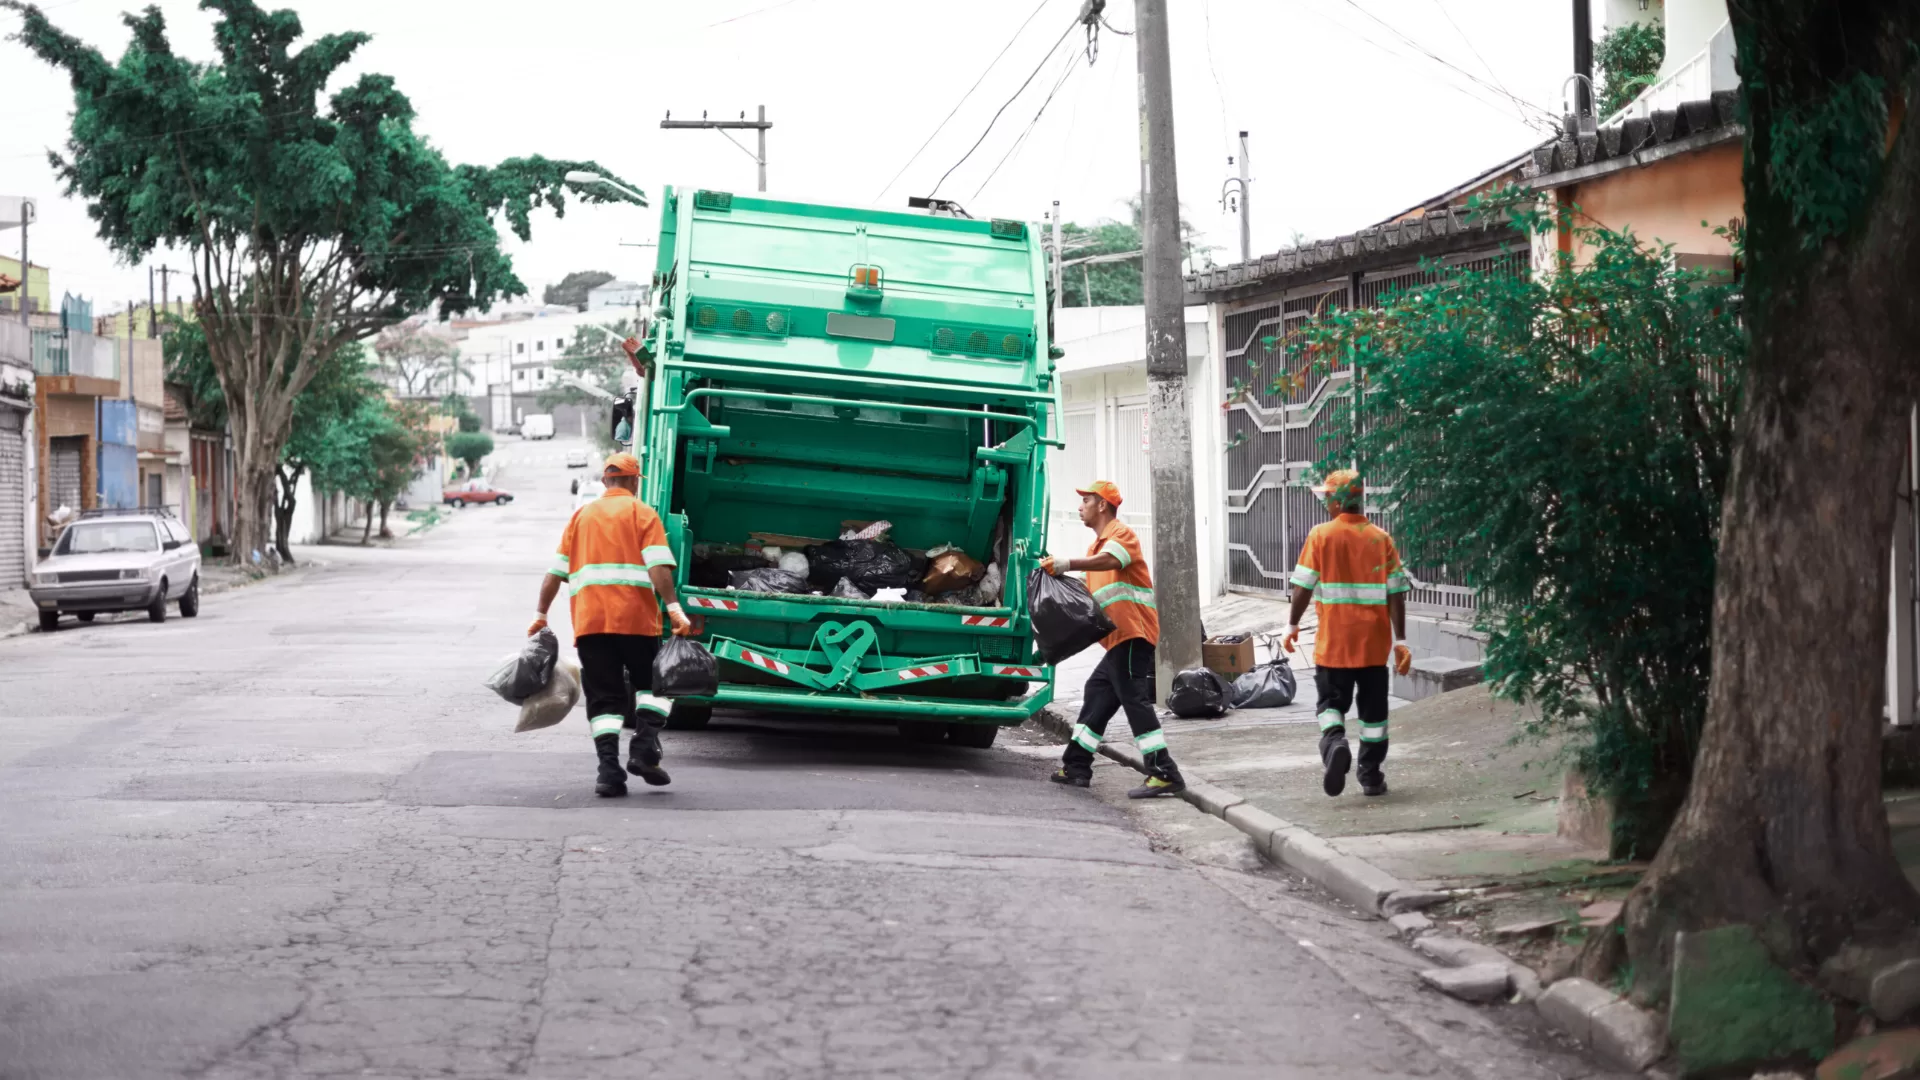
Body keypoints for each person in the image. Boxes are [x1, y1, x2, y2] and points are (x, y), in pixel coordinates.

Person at [530, 452, 694, 797]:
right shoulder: (642, 513)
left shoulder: (581, 517)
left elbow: (554, 574)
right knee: (656, 688)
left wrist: (540, 615)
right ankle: (644, 745)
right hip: (636, 622)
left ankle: (609, 772)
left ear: (606, 481)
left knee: (603, 700)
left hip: (591, 625)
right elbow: (658, 569)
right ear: (635, 481)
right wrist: (675, 609)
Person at [1040, 480, 1186, 799]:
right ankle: (1076, 766)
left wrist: (1068, 563)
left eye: (1087, 501)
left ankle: (1164, 772)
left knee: (1133, 698)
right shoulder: (1096, 549)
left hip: (1134, 634)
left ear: (1103, 505)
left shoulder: (1121, 536)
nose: (1080, 507)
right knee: (1097, 691)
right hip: (1118, 641)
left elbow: (1112, 561)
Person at [1281, 469, 1414, 798]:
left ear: (1338, 501)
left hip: (1334, 645)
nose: (1325, 502)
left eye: (1327, 497)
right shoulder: (1381, 538)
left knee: (1329, 705)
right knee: (1374, 716)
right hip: (1373, 646)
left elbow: (1302, 586)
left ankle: (1335, 743)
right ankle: (1370, 776)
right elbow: (1396, 593)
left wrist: (1292, 624)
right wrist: (1401, 641)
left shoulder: (1321, 535)